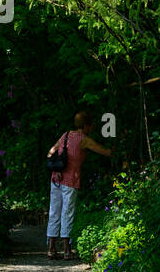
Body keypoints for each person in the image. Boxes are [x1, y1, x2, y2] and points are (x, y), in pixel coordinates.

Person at [45, 110, 112, 260]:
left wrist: (58, 162)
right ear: (87, 125)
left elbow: (51, 152)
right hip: (70, 180)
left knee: (54, 211)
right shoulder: (84, 139)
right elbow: (105, 152)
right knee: (67, 212)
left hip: (56, 177)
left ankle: (51, 249)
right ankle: (67, 250)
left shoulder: (65, 135)